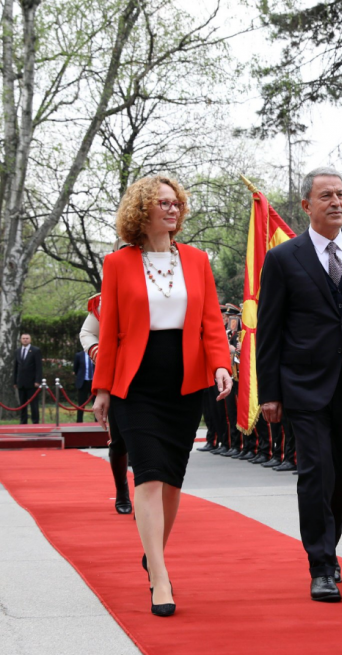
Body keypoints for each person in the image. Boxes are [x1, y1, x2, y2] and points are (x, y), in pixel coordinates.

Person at [92, 175, 232, 617]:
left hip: (185, 380)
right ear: (141, 212)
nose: (173, 210)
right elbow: (111, 332)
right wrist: (102, 389)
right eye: (163, 204)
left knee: (172, 479)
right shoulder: (117, 264)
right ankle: (161, 576)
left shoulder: (196, 260)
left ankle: (153, 553)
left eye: (176, 203)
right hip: (136, 382)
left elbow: (211, 320)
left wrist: (221, 363)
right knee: (149, 475)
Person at [256, 166, 342, 603]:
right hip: (303, 385)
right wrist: (270, 394)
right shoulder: (283, 258)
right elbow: (269, 330)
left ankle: (328, 546)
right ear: (307, 206)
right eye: (326, 196)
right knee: (315, 473)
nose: (336, 202)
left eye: (340, 194)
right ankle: (320, 565)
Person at [79, 294, 132, 515]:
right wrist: (102, 355)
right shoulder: (105, 299)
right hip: (120, 376)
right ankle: (122, 491)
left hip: (156, 374)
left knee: (148, 440)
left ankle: (148, 496)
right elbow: (88, 332)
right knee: (119, 441)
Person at [13, 333, 42, 424]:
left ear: (30, 340)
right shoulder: (17, 351)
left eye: (27, 338)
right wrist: (15, 381)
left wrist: (38, 380)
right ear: (20, 340)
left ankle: (35, 421)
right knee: (22, 404)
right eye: (23, 338)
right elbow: (15, 367)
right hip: (21, 382)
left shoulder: (35, 350)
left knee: (33, 404)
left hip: (32, 383)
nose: (25, 340)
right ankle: (23, 421)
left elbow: (39, 367)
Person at [73, 347, 95, 423]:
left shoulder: (95, 354)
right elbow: (75, 369)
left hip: (94, 382)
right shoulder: (79, 355)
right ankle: (79, 421)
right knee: (81, 403)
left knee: (95, 403)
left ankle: (97, 421)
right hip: (83, 383)